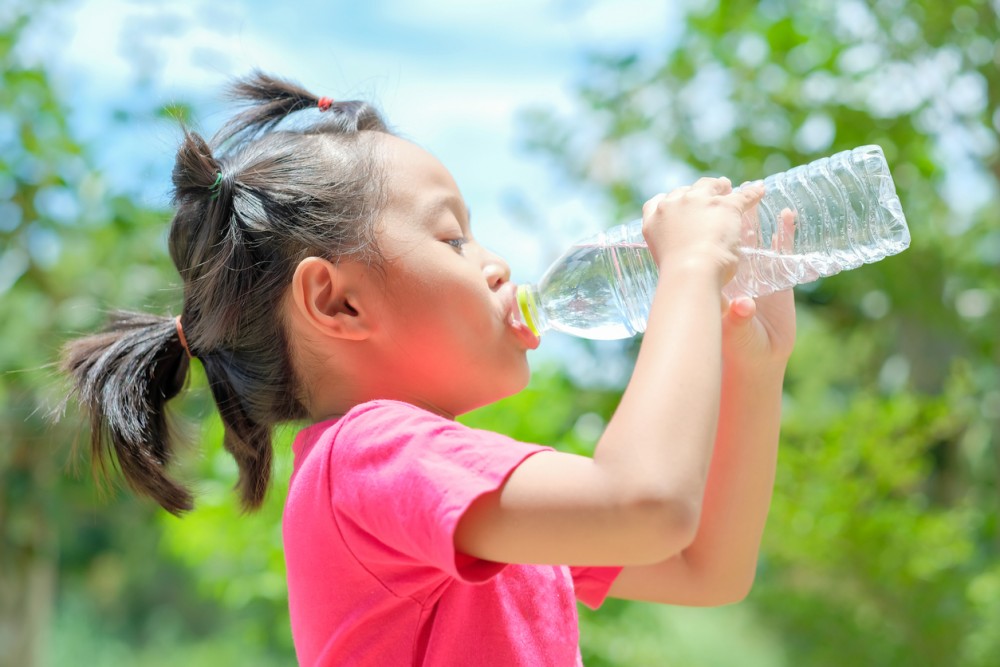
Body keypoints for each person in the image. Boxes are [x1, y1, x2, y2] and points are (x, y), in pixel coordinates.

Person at [60, 71, 796, 666]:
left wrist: (756, 372)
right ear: (338, 301)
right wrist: (689, 271)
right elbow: (646, 504)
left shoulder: (456, 494)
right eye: (452, 238)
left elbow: (706, 568)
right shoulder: (368, 457)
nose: (496, 262)